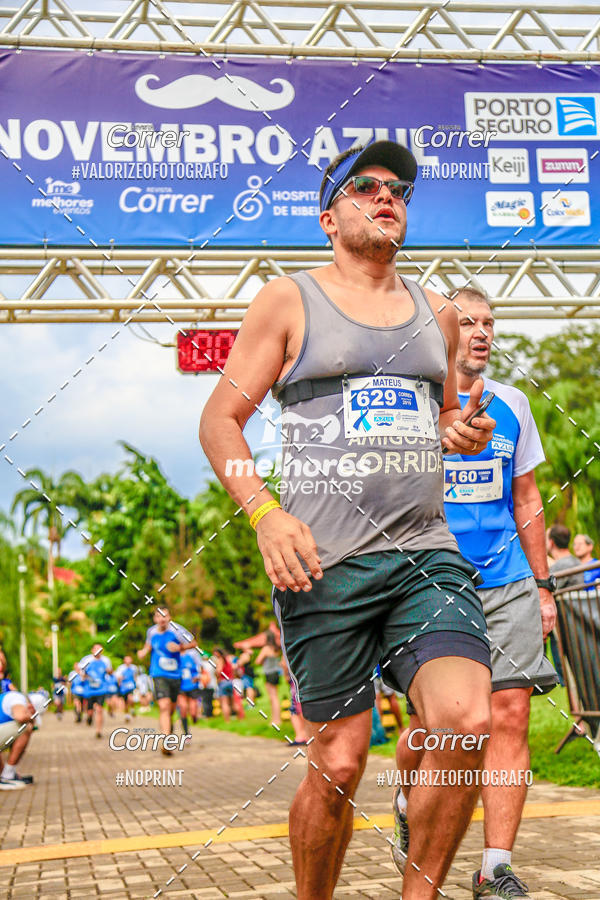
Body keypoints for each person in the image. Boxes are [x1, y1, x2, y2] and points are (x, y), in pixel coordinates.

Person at [199, 139, 496, 900]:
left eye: (399, 189)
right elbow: (221, 422)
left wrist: (457, 434)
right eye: (366, 186)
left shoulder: (438, 312)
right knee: (337, 764)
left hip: (426, 554)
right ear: (329, 216)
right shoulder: (288, 299)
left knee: (464, 723)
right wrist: (264, 515)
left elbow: (438, 424)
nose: (387, 195)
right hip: (323, 562)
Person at [396, 286, 558, 898]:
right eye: (467, 322)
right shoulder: (413, 404)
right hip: (432, 582)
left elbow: (527, 499)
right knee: (438, 727)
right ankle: (412, 804)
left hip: (507, 578)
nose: (481, 332)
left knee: (510, 714)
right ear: (444, 332)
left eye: (489, 322)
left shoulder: (514, 403)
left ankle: (495, 868)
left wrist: (542, 587)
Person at [137, 606, 197, 754]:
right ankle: (166, 741)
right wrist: (143, 652)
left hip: (175, 675)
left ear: (169, 617)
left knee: (170, 709)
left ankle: (167, 731)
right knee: (163, 706)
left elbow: (194, 644)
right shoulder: (151, 631)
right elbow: (148, 645)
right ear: (155, 619)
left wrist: (180, 647)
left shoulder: (177, 630)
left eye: (165, 616)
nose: (162, 619)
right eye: (159, 616)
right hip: (158, 673)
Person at [546, 524, 579, 686]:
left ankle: (562, 678)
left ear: (551, 542)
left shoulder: (559, 568)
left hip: (565, 623)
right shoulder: (576, 561)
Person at [0, 690, 36, 789]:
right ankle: (8, 775)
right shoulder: (18, 698)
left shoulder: (4, 698)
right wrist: (31, 718)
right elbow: (20, 717)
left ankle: (5, 774)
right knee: (25, 727)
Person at [76, 643, 112, 739]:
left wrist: (109, 671)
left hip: (101, 689)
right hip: (89, 690)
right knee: (91, 711)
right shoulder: (87, 660)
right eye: (96, 649)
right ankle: (89, 716)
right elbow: (80, 671)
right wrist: (84, 675)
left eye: (100, 649)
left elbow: (110, 672)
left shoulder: (106, 660)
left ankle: (98, 731)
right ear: (92, 650)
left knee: (99, 709)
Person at [256, 631, 282, 728]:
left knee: (273, 698)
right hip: (276, 673)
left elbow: (258, 661)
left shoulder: (266, 648)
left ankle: (276, 720)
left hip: (269, 673)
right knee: (275, 696)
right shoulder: (276, 649)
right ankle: (276, 719)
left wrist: (262, 661)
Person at [178, 648, 202, 734]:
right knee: (183, 709)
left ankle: (194, 718)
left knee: (193, 711)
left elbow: (199, 667)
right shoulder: (174, 655)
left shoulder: (192, 654)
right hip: (180, 686)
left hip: (192, 686)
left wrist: (198, 676)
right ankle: (186, 733)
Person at [374, 664, 404, 732]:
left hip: (371, 672)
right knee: (391, 698)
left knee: (377, 701)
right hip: (381, 670)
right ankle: (401, 728)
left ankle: (381, 731)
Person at [115, 656, 138, 721]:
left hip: (131, 686)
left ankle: (132, 709)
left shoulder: (134, 667)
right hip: (123, 687)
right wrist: (120, 680)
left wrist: (136, 684)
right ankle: (127, 715)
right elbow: (118, 677)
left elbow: (135, 676)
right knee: (125, 702)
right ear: (124, 660)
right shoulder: (121, 668)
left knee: (130, 699)